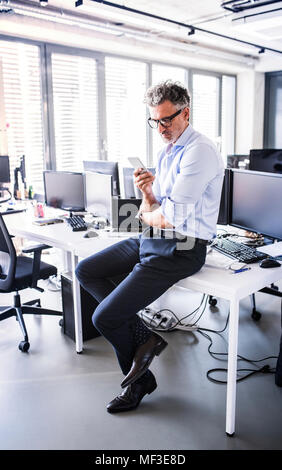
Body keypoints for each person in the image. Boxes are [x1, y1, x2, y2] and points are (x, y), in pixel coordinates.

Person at [75, 80, 224, 413]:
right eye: (155, 121)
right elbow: (157, 206)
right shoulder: (168, 149)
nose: (161, 128)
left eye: (167, 120)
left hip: (183, 247)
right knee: (86, 270)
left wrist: (146, 211)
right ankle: (146, 339)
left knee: (105, 318)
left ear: (186, 113)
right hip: (156, 237)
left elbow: (169, 218)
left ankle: (138, 383)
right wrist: (145, 193)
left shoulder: (200, 151)